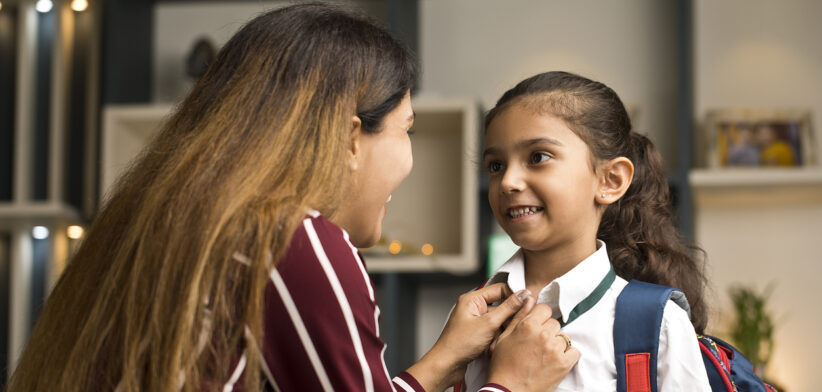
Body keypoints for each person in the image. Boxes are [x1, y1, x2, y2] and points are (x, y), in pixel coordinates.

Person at [7, 4, 579, 392]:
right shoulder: (292, 239)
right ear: (352, 136)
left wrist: (441, 362)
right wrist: (512, 384)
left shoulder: (172, 225)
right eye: (406, 131)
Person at [462, 71, 711, 391]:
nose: (508, 181)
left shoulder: (660, 327)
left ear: (611, 180)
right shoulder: (471, 320)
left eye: (537, 157)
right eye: (496, 165)